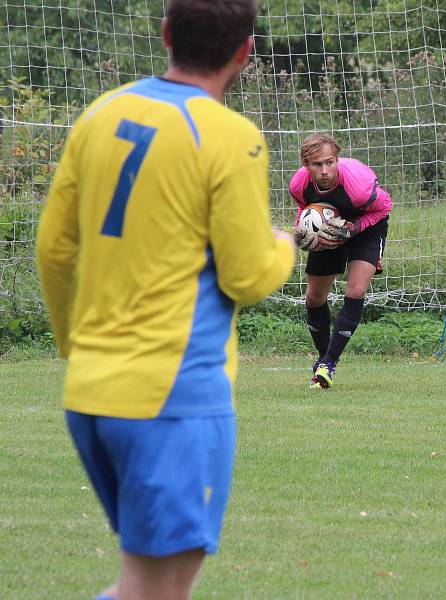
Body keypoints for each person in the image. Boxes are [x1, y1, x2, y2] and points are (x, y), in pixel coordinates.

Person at [35, 0, 296, 598]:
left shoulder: (102, 112)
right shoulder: (229, 136)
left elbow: (53, 250)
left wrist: (77, 345)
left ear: (165, 34)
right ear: (245, 52)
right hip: (172, 396)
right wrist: (285, 244)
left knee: (146, 589)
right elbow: (248, 277)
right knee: (156, 592)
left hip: (91, 394)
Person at [290, 133, 393, 389]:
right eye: (317, 164)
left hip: (367, 227)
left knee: (356, 289)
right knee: (314, 298)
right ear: (306, 165)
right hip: (329, 228)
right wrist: (301, 232)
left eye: (329, 162)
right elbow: (305, 209)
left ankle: (328, 364)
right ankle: (325, 360)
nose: (324, 170)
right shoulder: (298, 185)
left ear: (337, 159)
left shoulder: (357, 187)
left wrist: (354, 227)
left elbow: (385, 206)